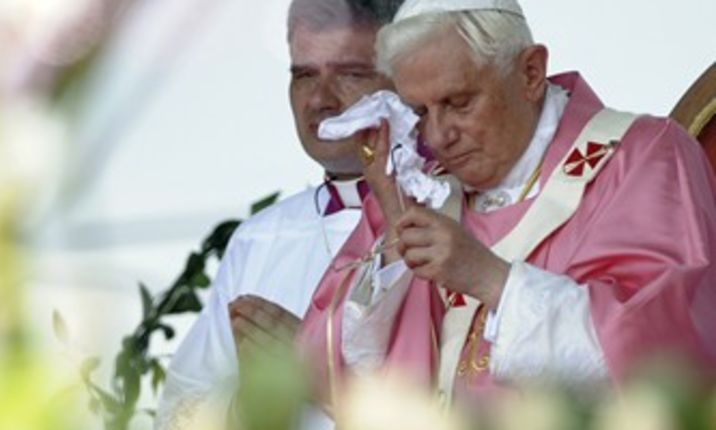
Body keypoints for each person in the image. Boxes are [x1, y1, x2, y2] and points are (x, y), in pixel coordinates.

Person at [298, 0, 716, 411]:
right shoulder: (420, 189)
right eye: (419, 112)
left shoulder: (641, 158)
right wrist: (394, 227)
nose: (438, 136)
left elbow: (669, 357)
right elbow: (332, 381)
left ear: (530, 73)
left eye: (458, 102)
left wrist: (490, 278)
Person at [155, 1, 403, 428]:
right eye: (304, 74)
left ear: (407, 80)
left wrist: (316, 367)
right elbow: (179, 409)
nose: (321, 99)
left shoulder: (460, 219)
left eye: (350, 73)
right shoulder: (259, 241)